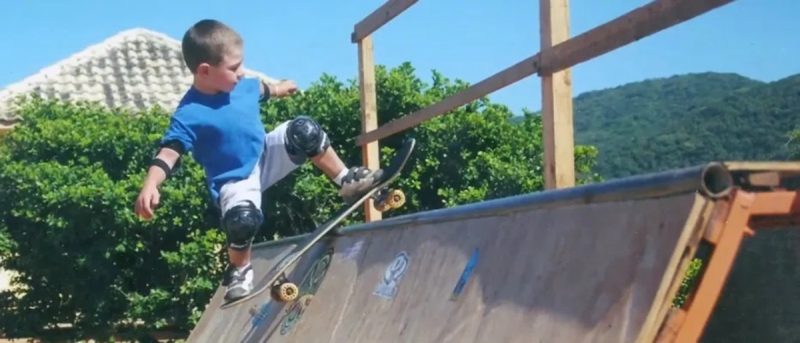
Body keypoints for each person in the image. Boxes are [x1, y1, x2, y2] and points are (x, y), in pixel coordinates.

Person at [134, 19, 382, 301]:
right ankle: (240, 269)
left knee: (304, 130)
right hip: (234, 181)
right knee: (242, 220)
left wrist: (280, 88)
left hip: (266, 155)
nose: (241, 73)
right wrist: (151, 183)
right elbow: (169, 151)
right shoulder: (189, 113)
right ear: (204, 71)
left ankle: (346, 180)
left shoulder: (243, 87)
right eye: (233, 67)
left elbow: (264, 89)